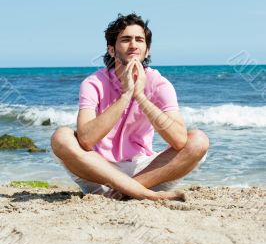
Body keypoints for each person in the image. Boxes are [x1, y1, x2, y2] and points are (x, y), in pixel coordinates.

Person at [51, 13, 209, 201]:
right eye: (126, 39)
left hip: (145, 173)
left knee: (198, 140)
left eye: (139, 40)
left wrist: (140, 97)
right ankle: (143, 195)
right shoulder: (93, 83)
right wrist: (126, 95)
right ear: (111, 50)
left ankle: (126, 191)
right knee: (61, 136)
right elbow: (85, 140)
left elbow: (179, 140)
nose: (133, 45)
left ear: (147, 50)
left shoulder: (159, 84)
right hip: (99, 171)